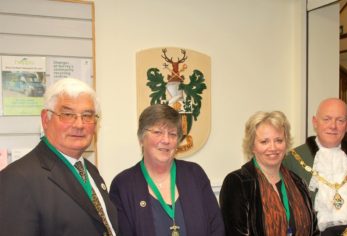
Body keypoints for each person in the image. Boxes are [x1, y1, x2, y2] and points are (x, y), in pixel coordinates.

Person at [0, 78, 118, 235]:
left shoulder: (90, 171)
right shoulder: (17, 179)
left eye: (87, 115)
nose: (79, 124)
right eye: (68, 114)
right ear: (45, 119)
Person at [109, 104, 225, 236]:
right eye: (158, 132)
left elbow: (217, 228)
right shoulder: (123, 185)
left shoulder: (195, 175)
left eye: (172, 134)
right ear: (141, 138)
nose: (166, 140)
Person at [284, 98, 347, 236]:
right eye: (326, 119)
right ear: (315, 122)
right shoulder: (293, 160)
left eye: (340, 120)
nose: (333, 126)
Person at [219, 111, 318, 236]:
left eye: (278, 140)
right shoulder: (237, 183)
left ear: (286, 143)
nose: (273, 148)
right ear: (252, 146)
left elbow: (314, 232)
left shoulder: (298, 183)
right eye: (264, 142)